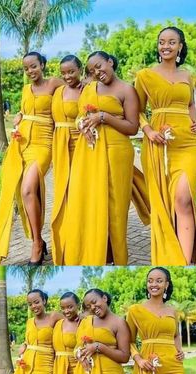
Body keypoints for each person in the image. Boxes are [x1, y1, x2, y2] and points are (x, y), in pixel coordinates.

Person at [64, 50, 139, 265]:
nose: (96, 72)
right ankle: (99, 254)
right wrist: (82, 124)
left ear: (110, 61)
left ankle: (118, 258)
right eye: (91, 70)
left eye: (99, 66)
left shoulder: (127, 90)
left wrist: (104, 117)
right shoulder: (89, 89)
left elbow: (132, 128)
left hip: (117, 153)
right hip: (90, 151)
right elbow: (80, 115)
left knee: (116, 209)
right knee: (92, 203)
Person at [0, 51, 63, 265]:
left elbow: (75, 91)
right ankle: (38, 240)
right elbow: (24, 110)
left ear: (43, 65)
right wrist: (19, 116)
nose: (30, 71)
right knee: (29, 194)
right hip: (22, 143)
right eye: (26, 68)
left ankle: (36, 244)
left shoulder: (55, 84)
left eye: (34, 66)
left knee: (27, 189)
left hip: (44, 145)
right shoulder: (25, 89)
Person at [135, 27, 196, 265]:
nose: (166, 46)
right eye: (162, 42)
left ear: (180, 46)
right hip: (158, 144)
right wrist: (149, 131)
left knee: (183, 198)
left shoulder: (187, 75)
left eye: (172, 42)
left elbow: (191, 104)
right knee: (166, 202)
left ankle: (183, 262)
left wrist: (194, 122)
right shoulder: (144, 75)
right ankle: (173, 256)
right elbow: (137, 110)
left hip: (187, 143)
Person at [126, 267, 185, 374]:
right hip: (147, 369)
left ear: (166, 284)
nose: (154, 284)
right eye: (150, 280)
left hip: (173, 369)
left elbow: (176, 334)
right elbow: (129, 340)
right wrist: (138, 360)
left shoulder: (172, 310)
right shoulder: (134, 310)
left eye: (159, 281)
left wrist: (180, 350)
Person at [67, 288, 132, 374]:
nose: (92, 307)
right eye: (88, 306)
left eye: (94, 302)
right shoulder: (86, 322)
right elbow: (77, 346)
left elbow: (125, 356)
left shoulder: (119, 323)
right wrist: (79, 354)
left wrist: (99, 347)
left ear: (104, 298)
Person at [6, 289, 63, 374]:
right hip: (26, 369)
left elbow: (73, 321)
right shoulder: (29, 322)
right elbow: (29, 341)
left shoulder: (54, 317)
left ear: (44, 301)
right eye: (30, 304)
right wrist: (24, 345)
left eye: (36, 302)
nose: (33, 306)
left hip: (45, 371)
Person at [51, 55, 82, 264]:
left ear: (79, 69)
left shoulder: (88, 90)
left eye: (71, 71)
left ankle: (79, 243)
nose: (67, 76)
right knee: (63, 193)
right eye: (63, 73)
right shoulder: (58, 91)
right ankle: (64, 243)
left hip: (82, 146)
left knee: (79, 194)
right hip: (60, 146)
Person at [52, 292, 80, 374]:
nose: (66, 311)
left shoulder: (83, 323)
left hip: (77, 369)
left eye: (70, 307)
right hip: (59, 370)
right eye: (63, 308)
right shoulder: (58, 324)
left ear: (78, 305)